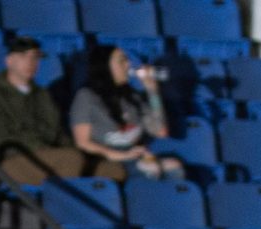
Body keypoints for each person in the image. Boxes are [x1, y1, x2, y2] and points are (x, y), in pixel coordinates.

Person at [0, 35, 83, 187]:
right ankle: (62, 207)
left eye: (35, 58)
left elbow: (58, 132)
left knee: (111, 169)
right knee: (72, 159)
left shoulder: (42, 95)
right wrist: (42, 148)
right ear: (9, 61)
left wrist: (76, 150)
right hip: (12, 160)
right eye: (23, 56)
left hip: (47, 155)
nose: (30, 63)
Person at [68, 45, 180, 180]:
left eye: (127, 60)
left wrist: (153, 92)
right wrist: (121, 155)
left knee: (174, 166)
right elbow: (82, 143)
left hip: (134, 159)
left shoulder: (132, 97)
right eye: (122, 61)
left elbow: (160, 131)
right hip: (106, 161)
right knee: (152, 170)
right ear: (105, 66)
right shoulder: (86, 96)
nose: (128, 65)